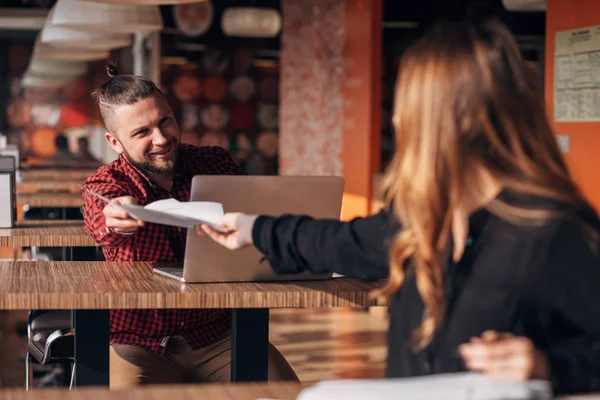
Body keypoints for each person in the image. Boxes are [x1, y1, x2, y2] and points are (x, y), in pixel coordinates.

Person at [199, 20, 600, 395]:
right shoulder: (421, 218)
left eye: (407, 101)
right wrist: (252, 228)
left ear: (447, 119)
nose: (397, 116)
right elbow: (334, 241)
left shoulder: (556, 230)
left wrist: (549, 366)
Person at [81, 64, 297, 388]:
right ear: (114, 142)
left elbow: (253, 217)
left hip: (218, 335)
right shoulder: (105, 183)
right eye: (142, 133)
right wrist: (118, 218)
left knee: (288, 395)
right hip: (139, 343)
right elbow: (103, 215)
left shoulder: (214, 163)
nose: (162, 138)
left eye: (165, 120)